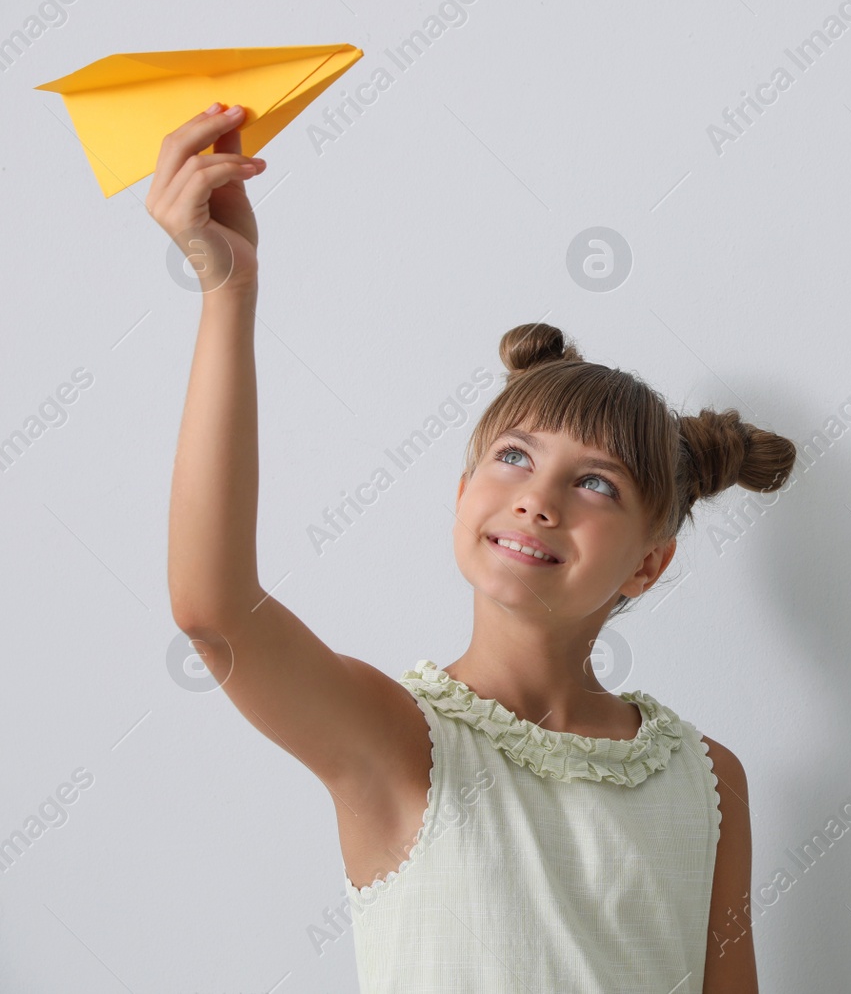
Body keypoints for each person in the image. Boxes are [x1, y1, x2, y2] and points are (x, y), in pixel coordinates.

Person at [151, 102, 794, 992]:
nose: (538, 497)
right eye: (515, 457)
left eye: (595, 481)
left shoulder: (707, 779)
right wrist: (230, 292)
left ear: (649, 562)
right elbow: (213, 611)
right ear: (464, 497)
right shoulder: (396, 739)